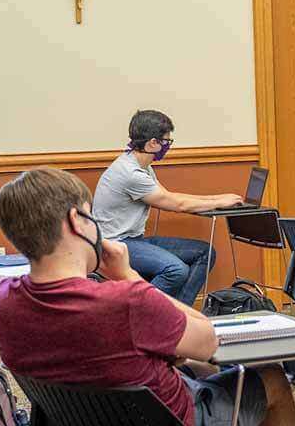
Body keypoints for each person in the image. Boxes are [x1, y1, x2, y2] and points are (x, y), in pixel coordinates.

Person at [0, 167, 295, 426]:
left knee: (202, 372)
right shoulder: (127, 301)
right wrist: (129, 276)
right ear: (76, 219)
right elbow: (207, 338)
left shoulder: (4, 300)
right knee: (270, 379)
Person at [92, 110, 243, 305]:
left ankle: (179, 313)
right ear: (153, 143)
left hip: (134, 240)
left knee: (205, 253)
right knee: (175, 270)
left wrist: (219, 198)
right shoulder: (131, 173)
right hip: (116, 244)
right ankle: (143, 312)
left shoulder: (142, 165)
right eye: (166, 141)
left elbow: (169, 196)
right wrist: (219, 202)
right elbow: (175, 204)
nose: (167, 146)